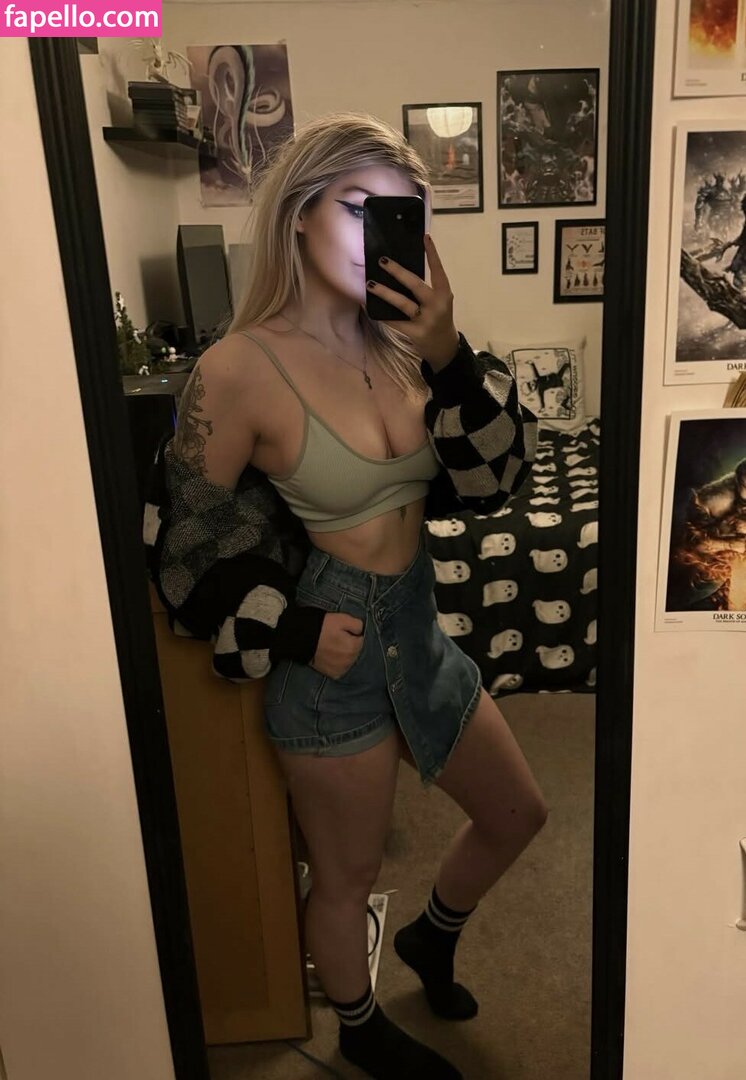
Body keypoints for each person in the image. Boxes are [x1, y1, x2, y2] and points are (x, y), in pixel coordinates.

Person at [146, 113, 547, 1080]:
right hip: (330, 656)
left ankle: (430, 936)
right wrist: (288, 628)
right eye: (358, 206)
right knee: (346, 875)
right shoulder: (239, 368)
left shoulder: (411, 344)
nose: (379, 233)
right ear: (299, 213)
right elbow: (182, 540)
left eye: (401, 214)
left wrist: (449, 352)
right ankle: (360, 1027)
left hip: (420, 627)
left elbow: (499, 479)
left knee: (518, 813)